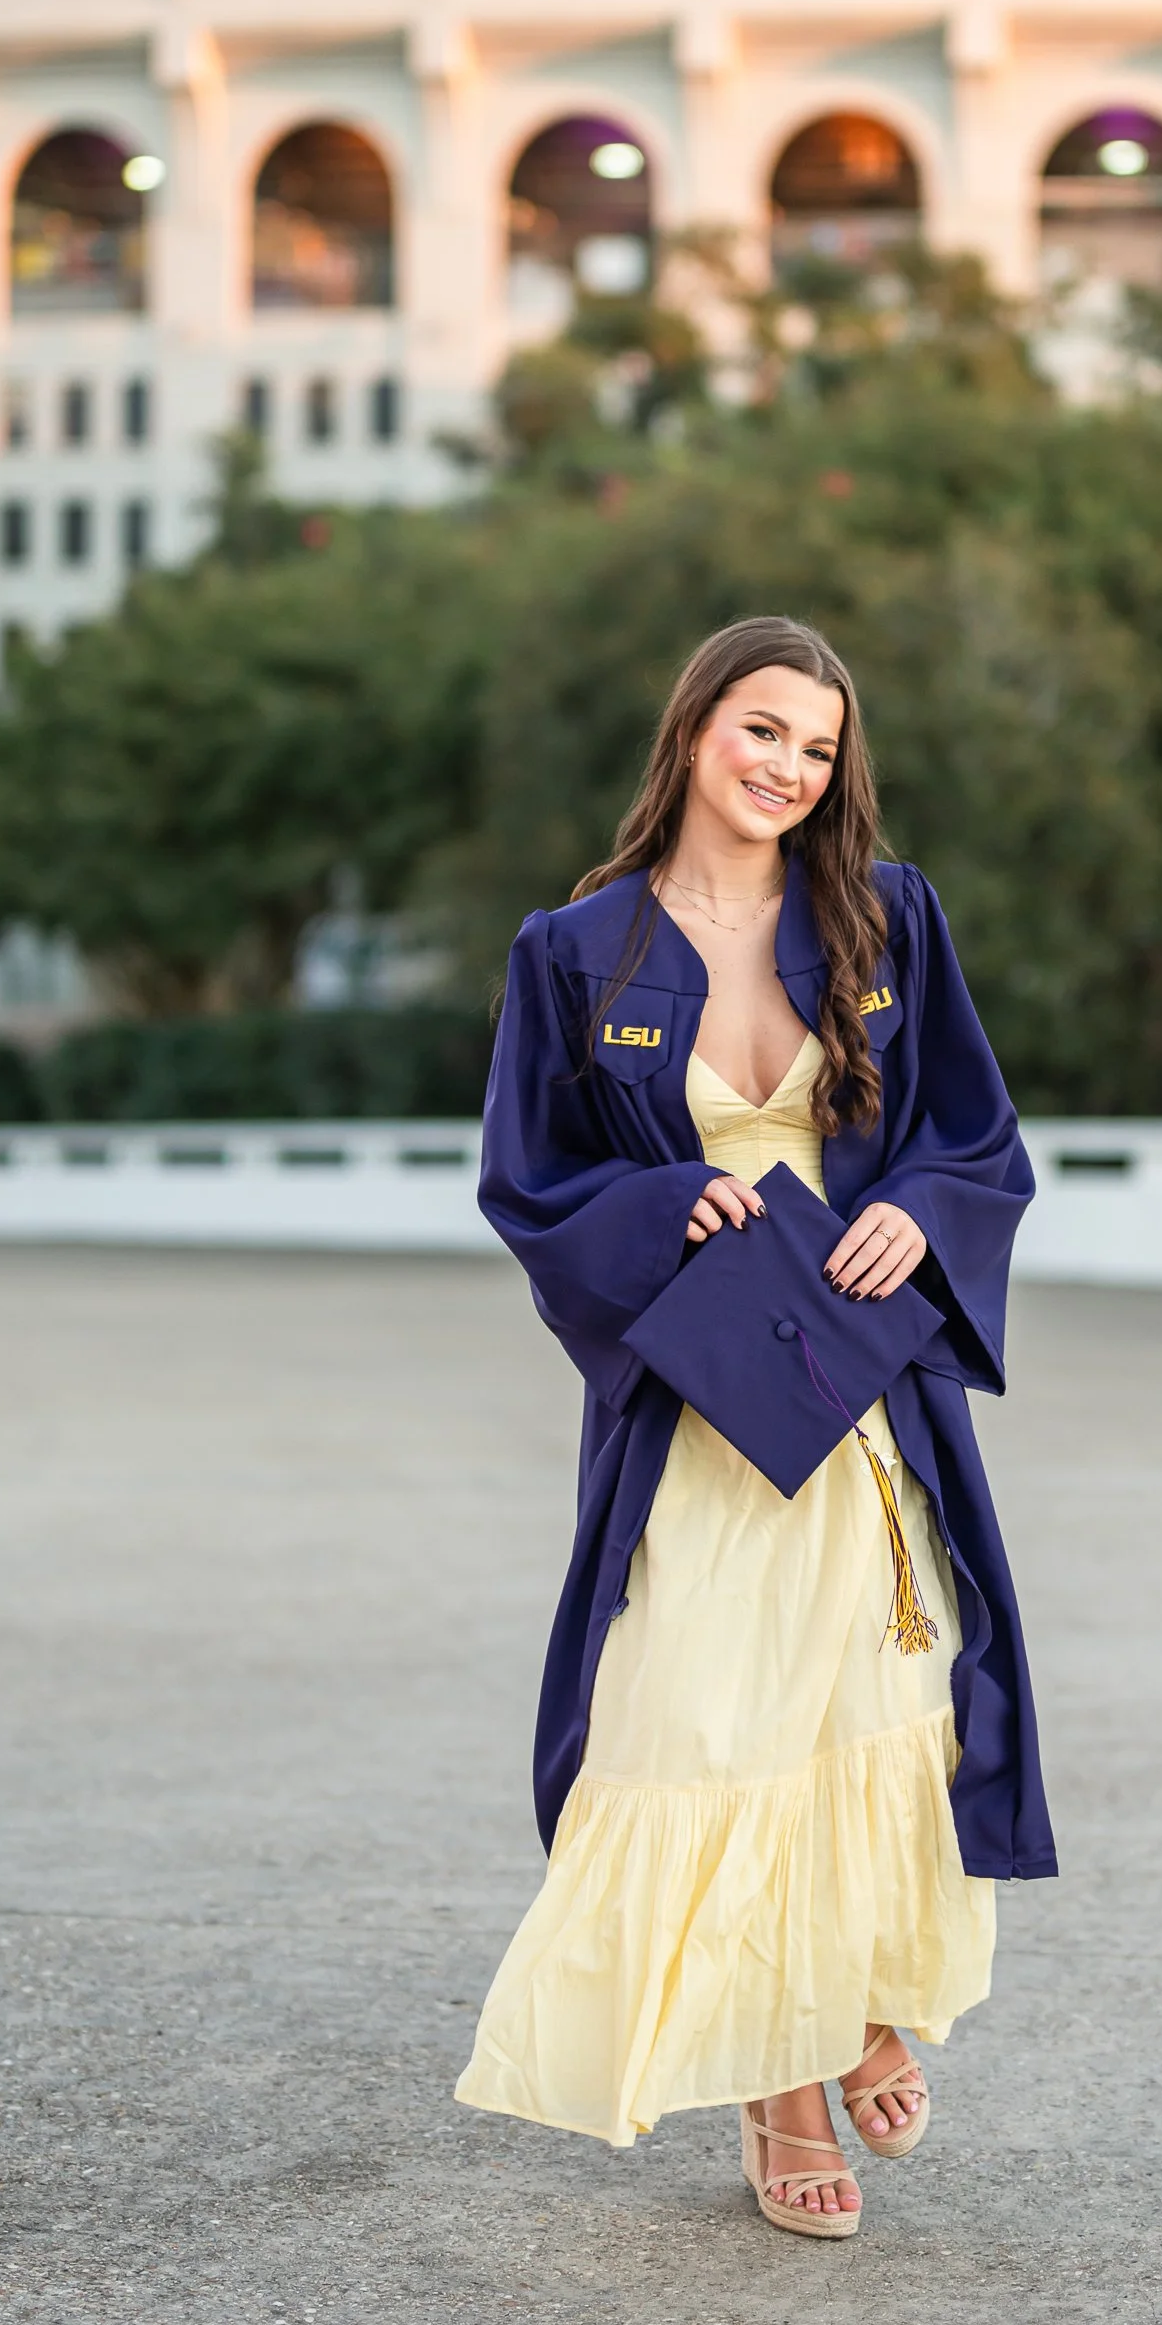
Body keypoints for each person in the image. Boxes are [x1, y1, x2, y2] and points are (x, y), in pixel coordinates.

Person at [455, 616, 1055, 2236]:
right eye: (763, 730)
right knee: (705, 1722)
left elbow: (971, 1133)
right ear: (697, 728)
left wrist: (921, 1216)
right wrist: (666, 1201)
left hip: (859, 1398)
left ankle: (840, 2010)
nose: (789, 767)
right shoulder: (575, 951)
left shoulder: (884, 916)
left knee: (869, 1699)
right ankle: (785, 2085)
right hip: (700, 1410)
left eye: (818, 747)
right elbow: (531, 1181)